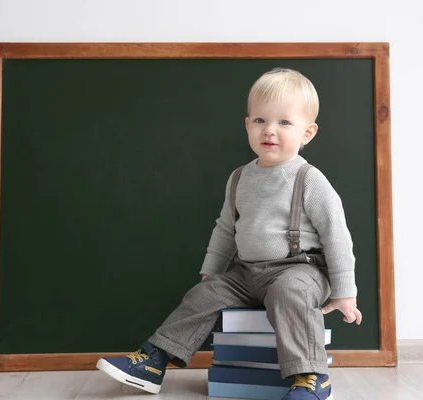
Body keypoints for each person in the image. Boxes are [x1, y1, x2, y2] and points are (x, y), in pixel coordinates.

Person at [96, 67, 362, 400]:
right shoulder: (239, 178)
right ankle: (154, 361)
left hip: (301, 269)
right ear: (248, 125)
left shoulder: (309, 179)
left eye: (284, 122)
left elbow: (337, 236)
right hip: (246, 272)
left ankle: (312, 377)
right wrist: (213, 271)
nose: (270, 131)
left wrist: (345, 292)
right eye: (261, 120)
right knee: (203, 296)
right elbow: (226, 227)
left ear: (307, 133)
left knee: (289, 293)